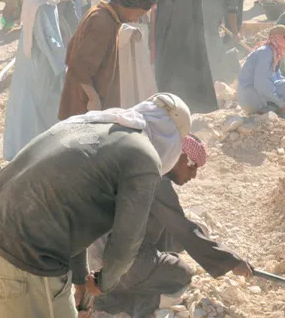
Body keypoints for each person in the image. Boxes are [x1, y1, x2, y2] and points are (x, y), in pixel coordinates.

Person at [0, 93, 191, 318]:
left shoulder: (85, 124)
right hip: (18, 265)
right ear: (172, 139)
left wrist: (80, 281)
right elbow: (126, 241)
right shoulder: (143, 155)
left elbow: (73, 215)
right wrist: (103, 283)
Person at [89, 135, 252, 317]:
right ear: (176, 156)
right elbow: (185, 231)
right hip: (120, 262)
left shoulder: (138, 167)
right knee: (181, 272)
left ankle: (112, 290)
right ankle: (130, 304)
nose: (194, 175)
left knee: (176, 234)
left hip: (95, 258)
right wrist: (231, 261)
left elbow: (177, 229)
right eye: (192, 166)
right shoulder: (156, 181)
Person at [59, 0, 157, 120]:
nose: (136, 20)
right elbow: (78, 65)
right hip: (85, 108)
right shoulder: (102, 23)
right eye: (139, 15)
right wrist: (93, 99)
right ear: (130, 6)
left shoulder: (104, 16)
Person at [3, 0, 66, 160]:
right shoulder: (41, 4)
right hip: (43, 63)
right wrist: (63, 65)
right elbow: (48, 40)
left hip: (32, 61)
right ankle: (43, 154)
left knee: (31, 105)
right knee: (45, 106)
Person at [151, 0, 218, 113]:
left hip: (189, 39)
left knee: (191, 75)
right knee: (166, 76)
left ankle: (194, 108)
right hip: (165, 39)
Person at [238, 25, 285, 122]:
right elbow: (262, 84)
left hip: (254, 96)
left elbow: (278, 79)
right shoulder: (265, 52)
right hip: (251, 98)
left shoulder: (272, 52)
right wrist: (281, 103)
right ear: (277, 38)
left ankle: (283, 112)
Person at [202, 0, 249, 82]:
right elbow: (232, 13)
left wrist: (218, 21)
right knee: (214, 45)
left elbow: (217, 3)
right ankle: (217, 75)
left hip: (200, 14)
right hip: (209, 19)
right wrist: (235, 33)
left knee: (207, 42)